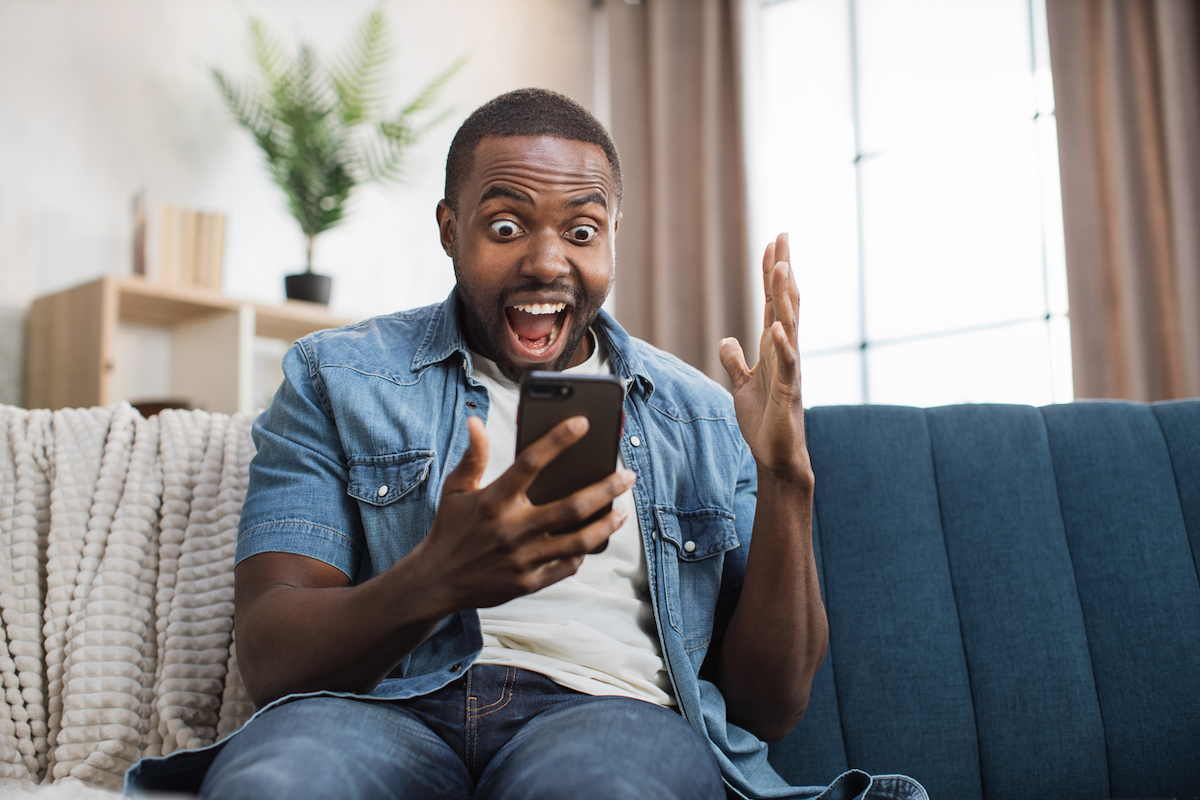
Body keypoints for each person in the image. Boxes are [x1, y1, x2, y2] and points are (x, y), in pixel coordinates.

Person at [125, 88, 925, 800]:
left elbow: (770, 707)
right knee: (272, 786)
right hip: (381, 712)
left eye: (582, 230)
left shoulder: (704, 416)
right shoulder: (336, 377)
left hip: (607, 714)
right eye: (506, 226)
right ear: (451, 230)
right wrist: (435, 579)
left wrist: (787, 478)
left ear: (613, 237)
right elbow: (271, 658)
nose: (547, 262)